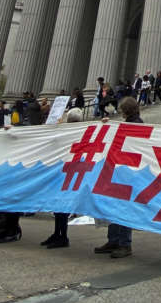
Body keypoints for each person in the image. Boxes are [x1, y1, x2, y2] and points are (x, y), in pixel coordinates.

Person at [94, 96, 144, 258]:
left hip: (128, 173)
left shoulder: (137, 124)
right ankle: (113, 239)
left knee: (124, 209)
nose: (120, 112)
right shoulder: (127, 123)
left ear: (127, 110)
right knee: (114, 206)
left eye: (122, 109)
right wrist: (108, 126)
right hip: (118, 171)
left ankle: (125, 244)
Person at [42, 108, 87, 249]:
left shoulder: (72, 132)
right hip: (68, 170)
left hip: (67, 170)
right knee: (59, 206)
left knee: (61, 206)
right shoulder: (82, 131)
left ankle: (62, 236)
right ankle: (58, 234)